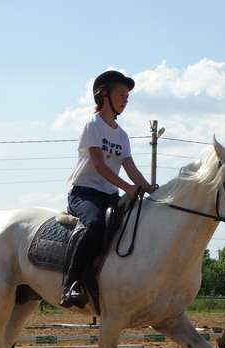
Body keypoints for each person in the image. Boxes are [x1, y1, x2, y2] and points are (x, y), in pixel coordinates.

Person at [60, 70, 156, 308]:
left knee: (133, 225)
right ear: (104, 95)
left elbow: (131, 169)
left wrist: (152, 190)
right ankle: (71, 284)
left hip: (110, 195)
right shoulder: (93, 125)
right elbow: (100, 166)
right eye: (121, 94)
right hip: (85, 193)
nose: (126, 99)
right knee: (94, 225)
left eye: (127, 96)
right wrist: (127, 187)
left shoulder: (122, 135)